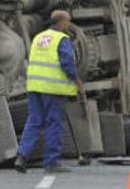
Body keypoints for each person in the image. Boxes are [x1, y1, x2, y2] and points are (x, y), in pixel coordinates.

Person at [14, 9, 83, 174]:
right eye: (68, 21)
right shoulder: (62, 39)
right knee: (54, 123)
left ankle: (22, 157)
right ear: (61, 22)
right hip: (53, 89)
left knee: (34, 121)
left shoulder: (38, 38)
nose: (69, 24)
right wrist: (78, 83)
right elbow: (67, 63)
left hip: (35, 86)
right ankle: (51, 162)